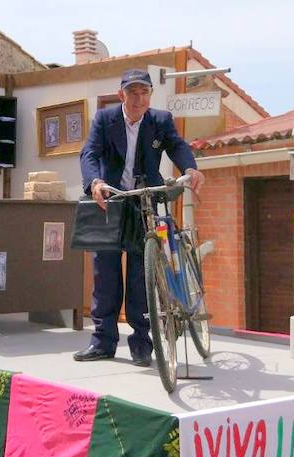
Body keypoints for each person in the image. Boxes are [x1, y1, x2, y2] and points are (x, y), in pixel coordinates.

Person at [75, 68, 205, 366]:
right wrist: (94, 182)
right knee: (104, 273)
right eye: (132, 92)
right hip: (111, 199)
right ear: (121, 94)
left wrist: (190, 168)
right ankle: (102, 341)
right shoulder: (105, 119)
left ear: (150, 95)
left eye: (144, 92)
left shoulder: (160, 120)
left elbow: (177, 146)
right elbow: (89, 153)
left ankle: (141, 344)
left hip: (145, 200)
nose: (139, 98)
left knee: (140, 274)